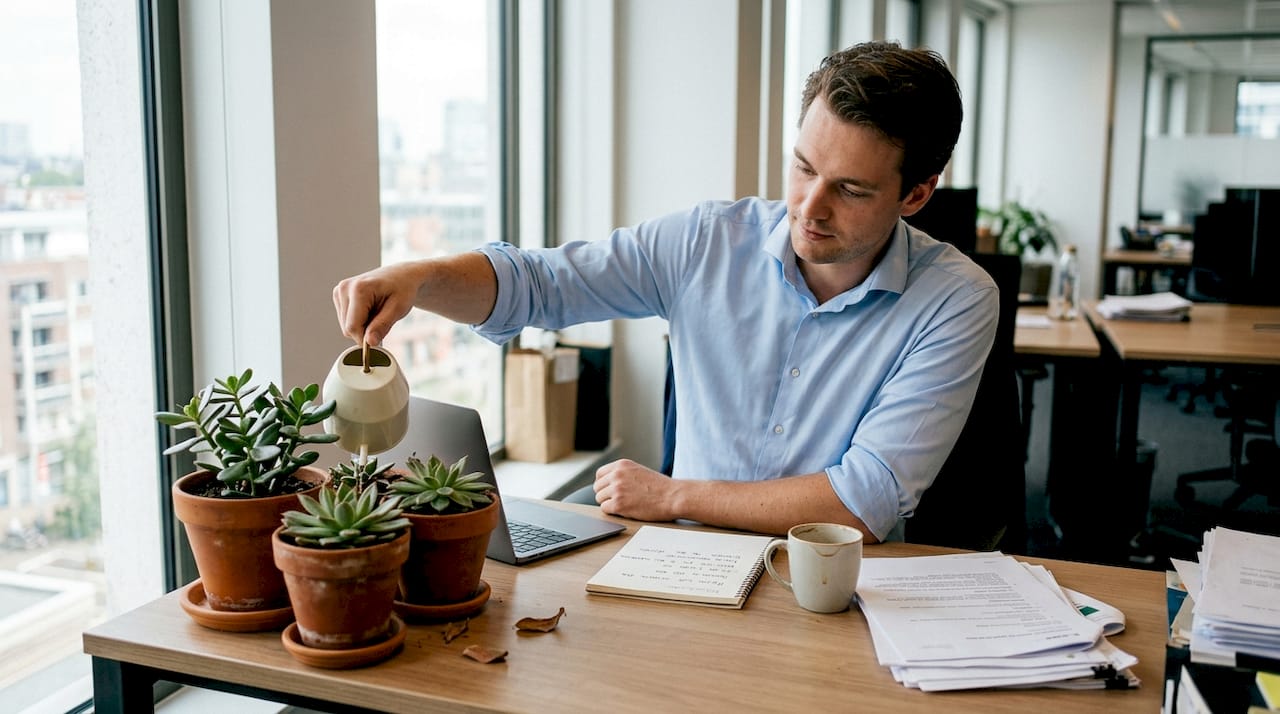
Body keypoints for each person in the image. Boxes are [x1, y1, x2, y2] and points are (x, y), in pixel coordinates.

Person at [333, 41, 998, 544]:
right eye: (802, 168)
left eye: (850, 189)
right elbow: (540, 284)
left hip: (834, 592)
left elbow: (865, 499)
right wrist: (418, 279)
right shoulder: (709, 240)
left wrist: (675, 496)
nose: (809, 207)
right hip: (682, 572)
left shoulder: (957, 299)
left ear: (916, 194)